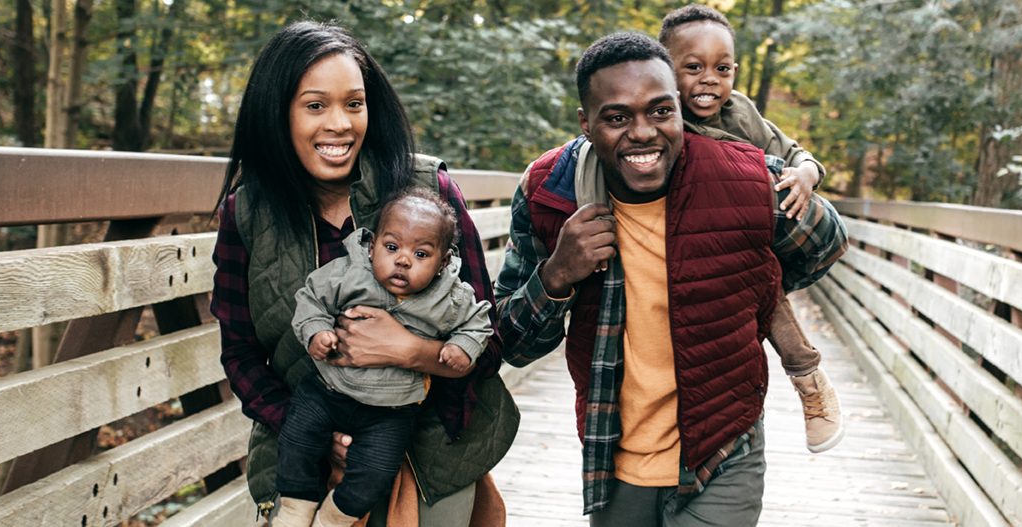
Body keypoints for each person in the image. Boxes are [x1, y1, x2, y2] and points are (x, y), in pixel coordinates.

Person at [493, 32, 846, 525]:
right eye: (617, 117)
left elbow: (828, 240)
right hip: (613, 458)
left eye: (661, 111)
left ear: (679, 108)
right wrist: (556, 275)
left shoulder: (744, 177)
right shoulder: (550, 191)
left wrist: (756, 281)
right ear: (585, 124)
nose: (643, 132)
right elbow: (511, 343)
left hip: (725, 448)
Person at [210, 21, 516, 527]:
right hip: (301, 459)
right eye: (315, 106)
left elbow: (486, 335)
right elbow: (240, 353)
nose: (341, 124)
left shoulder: (429, 191)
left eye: (354, 104)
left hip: (429, 452)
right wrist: (314, 433)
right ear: (277, 112)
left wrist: (410, 352)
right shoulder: (247, 213)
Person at [275, 189, 493, 526]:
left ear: (443, 262)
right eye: (391, 248)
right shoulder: (349, 273)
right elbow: (310, 298)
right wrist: (317, 331)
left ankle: (334, 517)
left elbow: (479, 323)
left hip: (391, 411)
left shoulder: (449, 297)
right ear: (372, 244)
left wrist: (462, 346)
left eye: (421, 253)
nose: (403, 260)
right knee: (297, 441)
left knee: (376, 472)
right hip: (327, 390)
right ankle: (294, 506)